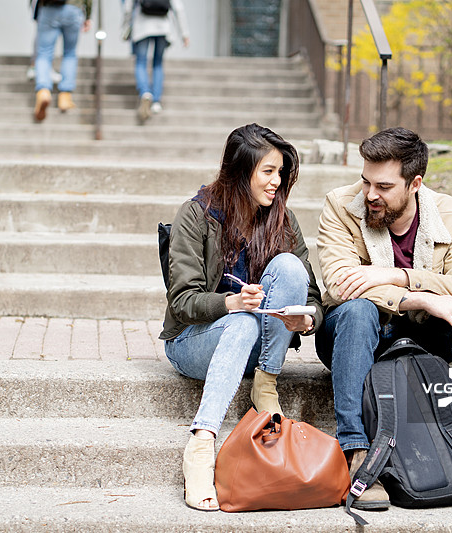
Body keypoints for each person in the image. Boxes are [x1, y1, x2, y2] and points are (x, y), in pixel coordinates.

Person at [315, 127, 452, 513]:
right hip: (355, 333)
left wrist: (399, 276)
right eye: (366, 181)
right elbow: (340, 284)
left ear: (415, 183)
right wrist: (423, 299)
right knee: (357, 308)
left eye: (383, 186)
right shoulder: (340, 204)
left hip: (420, 338)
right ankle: (359, 453)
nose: (369, 194)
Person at [161, 123, 324, 511]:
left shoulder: (281, 219)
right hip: (194, 341)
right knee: (242, 321)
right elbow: (182, 300)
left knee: (289, 267)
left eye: (280, 172)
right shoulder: (196, 215)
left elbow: (313, 294)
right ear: (240, 171)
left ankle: (264, 385)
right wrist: (230, 304)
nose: (276, 182)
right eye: (267, 172)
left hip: (261, 348)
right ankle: (201, 443)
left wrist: (307, 319)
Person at [122, 0, 189, 122]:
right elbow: (178, 8)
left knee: (141, 62)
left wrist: (126, 27)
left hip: (142, 26)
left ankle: (145, 92)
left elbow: (128, 7)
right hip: (163, 26)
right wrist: (184, 34)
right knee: (158, 63)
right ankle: (156, 101)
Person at [33, 0, 92, 122]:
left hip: (48, 7)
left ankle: (43, 90)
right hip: (74, 8)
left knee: (44, 53)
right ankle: (65, 95)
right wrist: (88, 15)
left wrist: (36, 10)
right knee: (69, 54)